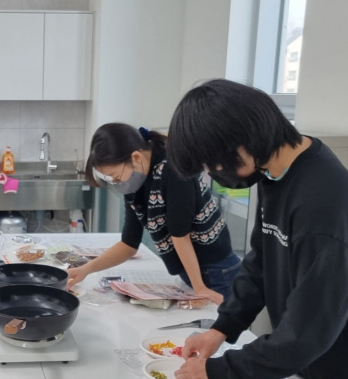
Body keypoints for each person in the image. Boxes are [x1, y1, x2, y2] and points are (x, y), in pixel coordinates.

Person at [166, 79, 348, 379]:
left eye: (214, 163)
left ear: (244, 141)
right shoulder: (275, 171)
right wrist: (222, 328)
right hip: (313, 372)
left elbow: (307, 332)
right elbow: (261, 263)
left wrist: (218, 372)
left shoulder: (324, 203)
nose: (213, 173)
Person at [66, 123, 241, 304]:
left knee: (220, 328)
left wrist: (199, 287)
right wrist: (86, 269)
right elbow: (129, 244)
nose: (117, 184)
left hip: (217, 272)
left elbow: (180, 235)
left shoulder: (174, 170)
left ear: (135, 157)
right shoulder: (135, 183)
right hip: (192, 271)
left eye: (116, 177)